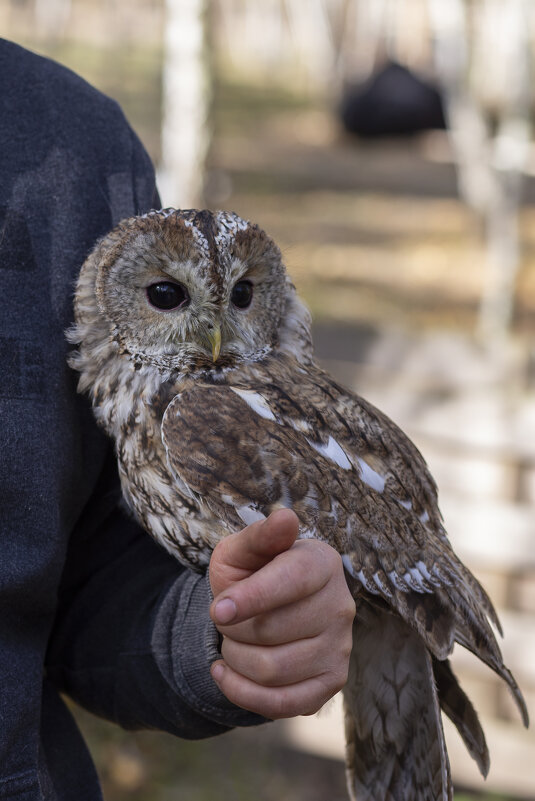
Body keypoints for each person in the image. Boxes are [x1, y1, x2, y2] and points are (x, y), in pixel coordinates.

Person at [0, 38, 355, 800]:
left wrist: (226, 629)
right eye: (165, 299)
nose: (216, 339)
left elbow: (90, 567)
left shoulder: (73, 139)